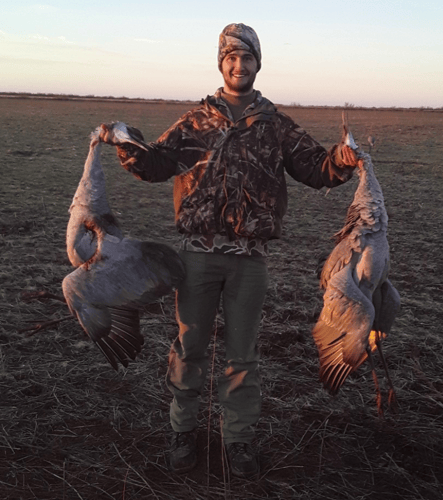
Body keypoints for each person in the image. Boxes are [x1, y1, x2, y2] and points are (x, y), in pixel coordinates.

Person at [101, 22, 358, 479]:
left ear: (259, 63)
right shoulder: (196, 120)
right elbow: (158, 161)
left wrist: (343, 158)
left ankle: (237, 440)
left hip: (250, 261)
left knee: (243, 354)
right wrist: (125, 141)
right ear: (221, 63)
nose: (239, 66)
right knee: (190, 347)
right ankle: (184, 431)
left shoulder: (276, 124)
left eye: (248, 58)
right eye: (231, 58)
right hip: (196, 256)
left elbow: (315, 169)